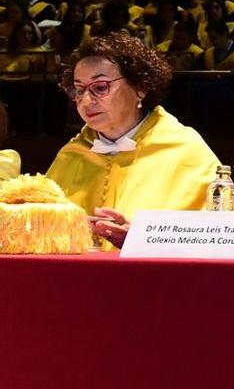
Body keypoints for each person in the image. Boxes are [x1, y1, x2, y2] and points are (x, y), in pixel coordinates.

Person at [47, 30, 220, 247]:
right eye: (79, 90)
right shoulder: (71, 154)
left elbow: (222, 233)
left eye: (100, 87)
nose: (85, 100)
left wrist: (143, 238)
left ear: (140, 88)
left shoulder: (184, 149)